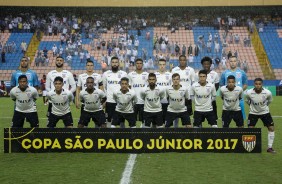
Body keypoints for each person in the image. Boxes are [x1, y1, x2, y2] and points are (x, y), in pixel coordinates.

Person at [245, 78, 276, 153]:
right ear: (254, 84)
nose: (258, 85)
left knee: (271, 128)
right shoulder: (249, 92)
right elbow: (246, 100)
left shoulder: (267, 92)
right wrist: (252, 107)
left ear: (262, 84)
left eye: (259, 84)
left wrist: (264, 107)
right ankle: (251, 147)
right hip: (253, 113)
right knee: (250, 129)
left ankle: (269, 147)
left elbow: (270, 100)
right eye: (256, 84)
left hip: (265, 112)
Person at [46, 56, 76, 125]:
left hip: (65, 101)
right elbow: (47, 87)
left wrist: (67, 94)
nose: (59, 61)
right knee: (50, 125)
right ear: (55, 62)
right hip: (53, 102)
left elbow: (74, 86)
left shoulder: (68, 74)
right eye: (58, 60)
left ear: (63, 62)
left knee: (68, 125)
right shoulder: (50, 74)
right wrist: (53, 95)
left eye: (61, 60)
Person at [76, 60, 104, 127]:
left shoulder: (98, 76)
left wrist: (102, 101)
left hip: (96, 103)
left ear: (93, 66)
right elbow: (78, 89)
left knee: (98, 124)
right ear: (86, 66)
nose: (89, 67)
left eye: (91, 65)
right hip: (85, 103)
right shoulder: (81, 76)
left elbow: (101, 88)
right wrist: (77, 100)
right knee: (84, 124)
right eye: (88, 65)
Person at [220, 56, 248, 120]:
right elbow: (221, 85)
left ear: (237, 62)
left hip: (239, 100)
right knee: (226, 121)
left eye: (234, 61)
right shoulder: (224, 73)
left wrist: (238, 92)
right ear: (228, 62)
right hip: (227, 101)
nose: (233, 63)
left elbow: (245, 84)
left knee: (241, 121)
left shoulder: (242, 72)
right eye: (231, 61)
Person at [102, 56, 127, 127]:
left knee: (121, 122)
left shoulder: (123, 74)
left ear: (118, 64)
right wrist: (104, 100)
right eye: (113, 62)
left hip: (121, 101)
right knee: (109, 121)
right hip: (109, 101)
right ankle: (110, 136)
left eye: (116, 62)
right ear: (110, 64)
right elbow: (103, 87)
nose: (114, 64)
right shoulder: (106, 74)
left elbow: (127, 87)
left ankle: (122, 137)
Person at [171, 55, 195, 127]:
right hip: (177, 96)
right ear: (179, 61)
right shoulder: (174, 70)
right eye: (181, 60)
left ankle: (187, 133)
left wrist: (192, 94)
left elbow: (193, 83)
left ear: (186, 61)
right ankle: (176, 130)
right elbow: (172, 83)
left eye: (184, 60)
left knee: (187, 116)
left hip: (187, 97)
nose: (182, 61)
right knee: (176, 115)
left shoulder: (191, 70)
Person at [195, 56, 220, 123]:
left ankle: (213, 132)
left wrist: (211, 94)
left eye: (208, 64)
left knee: (213, 120)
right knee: (199, 121)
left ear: (210, 64)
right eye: (204, 64)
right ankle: (199, 133)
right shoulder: (197, 74)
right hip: (200, 101)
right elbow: (195, 86)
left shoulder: (215, 74)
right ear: (202, 64)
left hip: (211, 101)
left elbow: (217, 85)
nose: (206, 65)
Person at [128, 58, 149, 127]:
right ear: (135, 65)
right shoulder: (130, 75)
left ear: (142, 65)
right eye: (137, 63)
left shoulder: (146, 75)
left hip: (144, 102)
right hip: (134, 102)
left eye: (140, 63)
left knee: (144, 120)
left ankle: (142, 135)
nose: (139, 65)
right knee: (132, 120)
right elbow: (129, 88)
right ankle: (133, 134)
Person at [155, 59, 172, 124]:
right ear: (158, 65)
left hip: (168, 101)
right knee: (157, 122)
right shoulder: (155, 75)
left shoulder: (170, 75)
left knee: (167, 122)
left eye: (163, 64)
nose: (162, 66)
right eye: (160, 64)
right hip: (157, 102)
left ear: (166, 65)